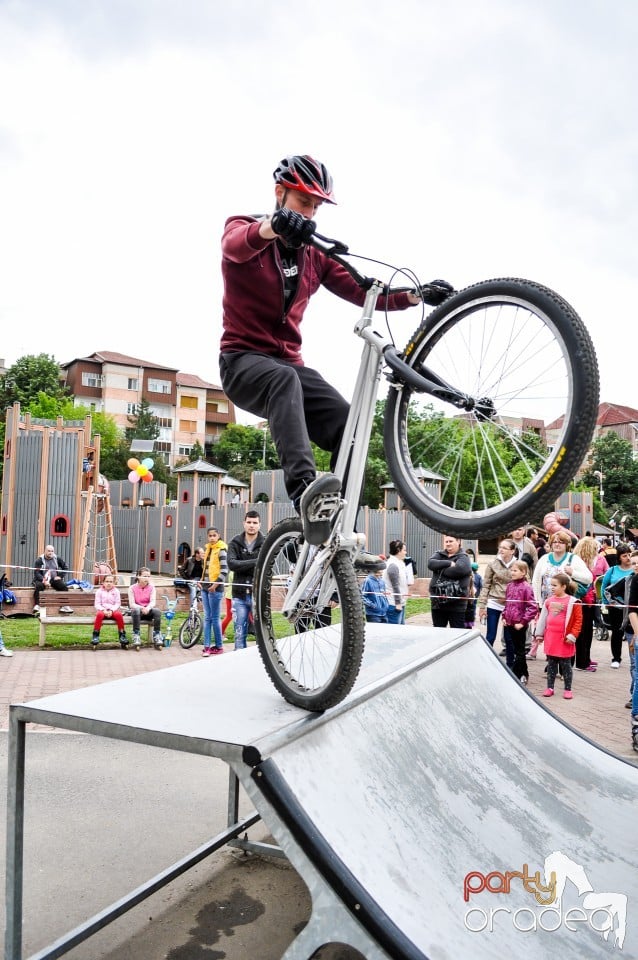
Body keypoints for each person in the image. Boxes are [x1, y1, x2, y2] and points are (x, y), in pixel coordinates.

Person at [218, 154, 452, 556]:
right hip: (243, 363)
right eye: (303, 203)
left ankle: (340, 524)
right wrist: (273, 225)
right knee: (284, 379)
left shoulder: (314, 254)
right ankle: (305, 493)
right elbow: (236, 246)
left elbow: (363, 288)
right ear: (280, 194)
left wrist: (415, 295)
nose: (309, 213)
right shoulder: (243, 228)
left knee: (349, 423)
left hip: (289, 365)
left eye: (315, 206)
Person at [534, 572, 583, 700]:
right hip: (551, 638)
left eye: (555, 585)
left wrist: (572, 635)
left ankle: (568, 689)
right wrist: (539, 634)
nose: (552, 587)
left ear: (564, 586)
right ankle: (550, 687)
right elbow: (542, 618)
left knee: (566, 665)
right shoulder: (548, 601)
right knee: (551, 664)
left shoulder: (573, 602)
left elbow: (578, 621)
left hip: (564, 639)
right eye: (551, 585)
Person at [227, 511, 265, 650]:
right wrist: (257, 561)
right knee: (239, 634)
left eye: (255, 523)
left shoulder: (265, 543)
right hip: (239, 595)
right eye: (249, 522)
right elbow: (232, 565)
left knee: (261, 635)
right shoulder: (235, 542)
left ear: (259, 525)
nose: (251, 525)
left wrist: (241, 564)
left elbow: (266, 565)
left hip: (258, 595)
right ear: (244, 523)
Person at [572, 536, 608, 671]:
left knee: (587, 631)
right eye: (594, 548)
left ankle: (586, 658)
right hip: (582, 601)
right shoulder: (579, 563)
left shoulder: (591, 561)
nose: (596, 551)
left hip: (590, 600)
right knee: (582, 632)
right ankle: (582, 662)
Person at [501, 560, 537, 683]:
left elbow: (532, 607)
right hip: (509, 623)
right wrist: (504, 617)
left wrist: (522, 622)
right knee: (514, 649)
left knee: (520, 651)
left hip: (519, 624)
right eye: (511, 570)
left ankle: (516, 675)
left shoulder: (527, 587)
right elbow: (507, 604)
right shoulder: (510, 586)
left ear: (523, 572)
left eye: (515, 570)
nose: (512, 572)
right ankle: (524, 673)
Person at [477, 539, 517, 647]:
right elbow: (486, 585)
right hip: (494, 602)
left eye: (504, 548)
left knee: (509, 638)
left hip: (510, 605)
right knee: (490, 636)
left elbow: (525, 585)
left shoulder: (518, 564)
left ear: (512, 551)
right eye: (500, 547)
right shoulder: (492, 564)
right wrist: (482, 606)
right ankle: (485, 659)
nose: (501, 549)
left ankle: (509, 663)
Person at [600, 543, 634, 668]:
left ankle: (634, 658)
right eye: (625, 556)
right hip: (615, 607)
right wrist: (606, 602)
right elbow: (604, 587)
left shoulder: (635, 569)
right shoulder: (612, 570)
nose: (628, 558)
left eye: (629, 555)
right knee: (617, 633)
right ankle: (616, 658)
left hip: (632, 607)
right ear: (619, 557)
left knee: (633, 632)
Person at [428, 535, 472, 629]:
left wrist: (439, 570)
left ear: (458, 542)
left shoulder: (464, 557)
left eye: (450, 541)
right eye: (446, 542)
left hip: (457, 604)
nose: (448, 544)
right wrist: (448, 563)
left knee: (457, 633)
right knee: (438, 631)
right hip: (438, 603)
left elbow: (460, 570)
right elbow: (431, 564)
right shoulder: (439, 554)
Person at [200, 527, 228, 656]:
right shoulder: (208, 549)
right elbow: (206, 569)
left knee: (215, 618)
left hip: (215, 588)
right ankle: (206, 646)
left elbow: (224, 571)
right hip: (205, 587)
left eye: (214, 535)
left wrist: (215, 585)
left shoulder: (221, 550)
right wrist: (201, 581)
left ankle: (219, 646)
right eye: (210, 535)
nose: (212, 537)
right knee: (207, 618)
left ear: (218, 535)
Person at [128, 568, 163, 650]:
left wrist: (147, 608)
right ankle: (136, 635)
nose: (147, 578)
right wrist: (142, 608)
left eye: (148, 576)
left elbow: (153, 602)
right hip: (137, 612)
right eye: (144, 576)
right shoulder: (132, 588)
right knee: (136, 610)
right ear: (138, 576)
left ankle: (157, 635)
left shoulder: (152, 588)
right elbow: (132, 604)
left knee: (157, 611)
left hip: (148, 611)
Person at [92, 574, 127, 650]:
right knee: (99, 615)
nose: (109, 583)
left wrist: (111, 610)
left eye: (111, 581)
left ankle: (122, 635)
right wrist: (103, 610)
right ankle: (95, 635)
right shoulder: (99, 591)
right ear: (103, 582)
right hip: (102, 610)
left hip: (113, 610)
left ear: (114, 583)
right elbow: (97, 604)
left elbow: (117, 603)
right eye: (107, 581)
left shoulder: (116, 591)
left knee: (119, 615)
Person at [32, 545, 69, 615]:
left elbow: (65, 567)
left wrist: (60, 576)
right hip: (42, 579)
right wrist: (44, 580)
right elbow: (36, 573)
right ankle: (37, 606)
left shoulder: (57, 558)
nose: (50, 553)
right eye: (49, 551)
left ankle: (64, 606)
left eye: (52, 551)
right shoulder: (39, 560)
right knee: (39, 586)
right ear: (45, 551)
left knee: (63, 586)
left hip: (53, 579)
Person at [383, 540, 410, 625]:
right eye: (404, 550)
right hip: (394, 604)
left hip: (400, 603)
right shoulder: (393, 565)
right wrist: (398, 604)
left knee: (401, 631)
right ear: (398, 550)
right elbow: (395, 586)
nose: (406, 552)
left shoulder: (399, 563)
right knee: (395, 633)